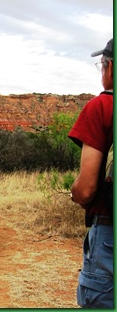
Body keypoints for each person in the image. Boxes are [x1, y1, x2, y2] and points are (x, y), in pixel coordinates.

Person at [68, 38, 113, 308]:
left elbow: (86, 189)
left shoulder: (102, 106)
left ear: (111, 68)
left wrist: (75, 193)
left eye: (102, 65)